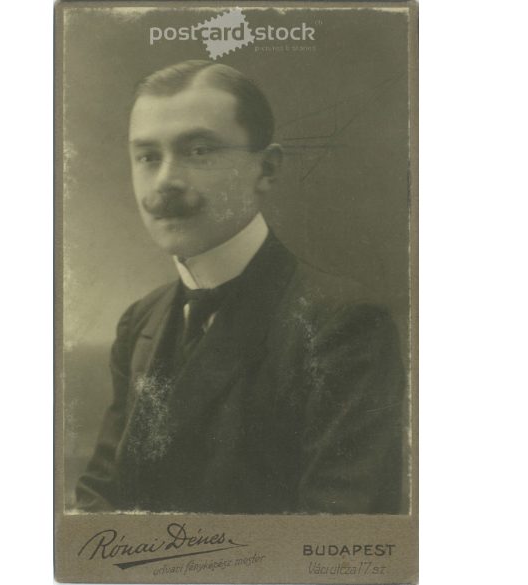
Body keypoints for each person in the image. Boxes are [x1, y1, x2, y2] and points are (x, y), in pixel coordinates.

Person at [76, 60, 405, 514]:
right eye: (148, 156)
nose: (165, 180)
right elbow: (98, 502)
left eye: (199, 151)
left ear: (266, 169)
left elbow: (335, 543)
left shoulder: (343, 326)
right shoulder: (140, 322)